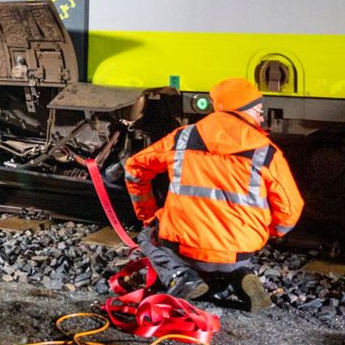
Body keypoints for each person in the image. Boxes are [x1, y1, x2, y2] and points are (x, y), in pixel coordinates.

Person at [125, 77, 304, 311]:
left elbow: (135, 168)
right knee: (230, 247)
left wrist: (147, 213)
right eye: (259, 111)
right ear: (243, 111)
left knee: (148, 233)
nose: (261, 117)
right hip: (239, 252)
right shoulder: (266, 151)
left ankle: (181, 275)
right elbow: (291, 209)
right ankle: (241, 274)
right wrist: (272, 232)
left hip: (184, 249)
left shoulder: (183, 137)